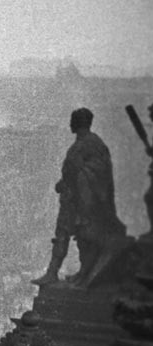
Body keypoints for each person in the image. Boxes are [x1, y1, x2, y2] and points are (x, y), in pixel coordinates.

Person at [33, 107, 127, 288]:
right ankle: (55, 273)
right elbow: (74, 170)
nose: (70, 124)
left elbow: (97, 172)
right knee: (65, 236)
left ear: (79, 123)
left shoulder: (92, 144)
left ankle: (79, 274)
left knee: (80, 238)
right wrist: (65, 182)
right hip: (72, 199)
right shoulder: (84, 143)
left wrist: (76, 180)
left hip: (82, 201)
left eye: (73, 120)